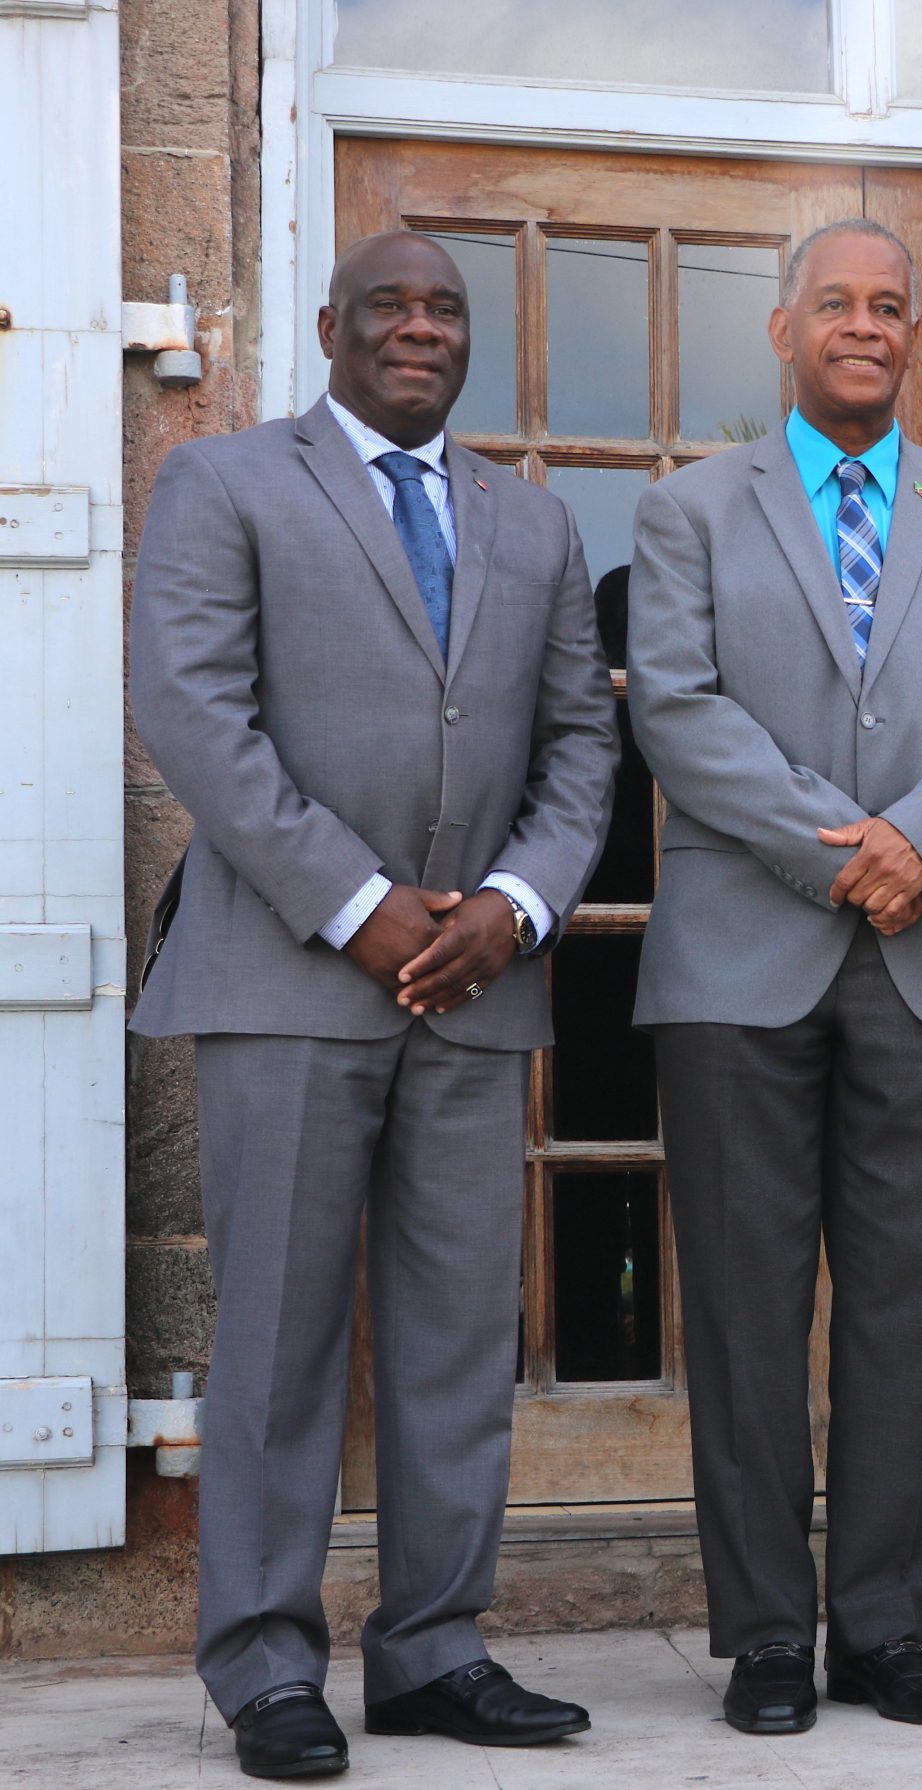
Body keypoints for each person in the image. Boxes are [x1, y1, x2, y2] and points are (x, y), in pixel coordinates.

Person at [129, 230, 619, 1778]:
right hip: (287, 977)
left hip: (480, 991)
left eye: (446, 309)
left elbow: (579, 754)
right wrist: (357, 905)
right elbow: (193, 710)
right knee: (275, 1340)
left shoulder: (534, 524)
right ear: (332, 325)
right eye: (392, 305)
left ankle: (433, 1649)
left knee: (457, 1338)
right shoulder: (228, 484)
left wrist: (515, 906)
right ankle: (268, 1666)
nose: (421, 327)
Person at [627, 218, 922, 1734]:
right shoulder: (689, 509)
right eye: (838, 304)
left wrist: (921, 846)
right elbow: (675, 709)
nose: (865, 326)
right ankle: (760, 1634)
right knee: (745, 1314)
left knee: (909, 1304)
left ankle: (885, 1627)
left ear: (915, 332)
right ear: (784, 329)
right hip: (740, 959)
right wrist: (844, 850)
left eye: (892, 307)